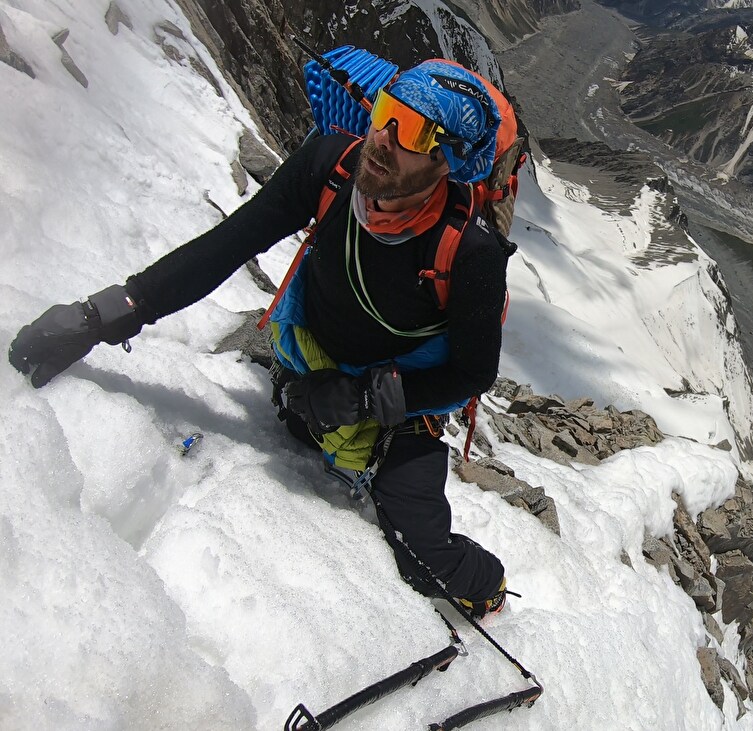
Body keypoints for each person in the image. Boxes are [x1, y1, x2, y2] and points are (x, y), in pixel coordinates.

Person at [8, 60, 512, 618]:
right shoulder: (331, 167)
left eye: (413, 132)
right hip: (311, 367)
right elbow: (230, 243)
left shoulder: (469, 253)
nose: (383, 138)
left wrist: (365, 399)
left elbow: (471, 374)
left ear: (448, 159)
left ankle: (487, 584)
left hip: (400, 400)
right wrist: (111, 312)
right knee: (299, 422)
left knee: (423, 560)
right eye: (388, 112)